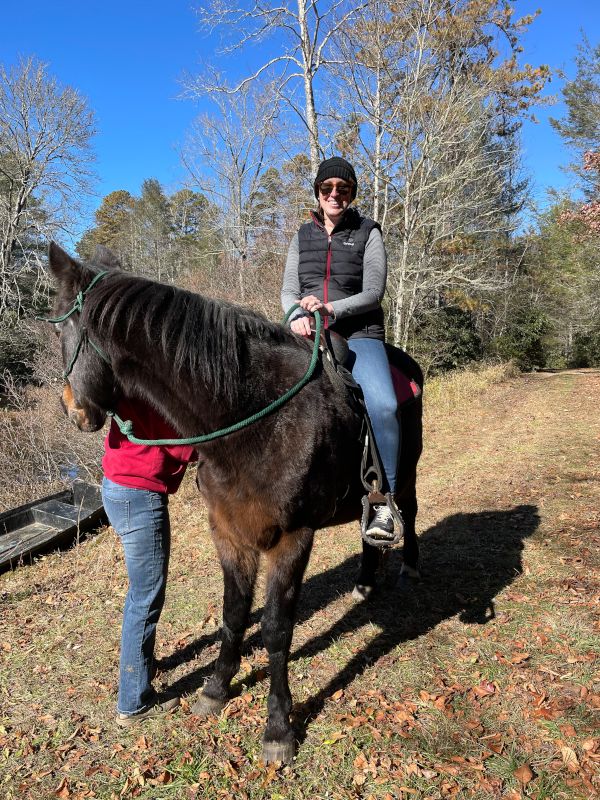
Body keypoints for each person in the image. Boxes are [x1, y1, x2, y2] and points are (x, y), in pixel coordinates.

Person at [281, 156, 399, 539]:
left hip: (359, 333)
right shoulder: (302, 235)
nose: (335, 195)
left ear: (351, 194)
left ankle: (384, 502)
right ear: (317, 192)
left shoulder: (368, 232)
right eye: (327, 188)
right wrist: (296, 314)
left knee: (384, 404)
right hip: (309, 332)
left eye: (343, 189)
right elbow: (288, 291)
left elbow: (373, 291)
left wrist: (331, 308)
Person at [101, 396, 197, 726]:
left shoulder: (131, 383)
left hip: (115, 486)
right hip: (139, 496)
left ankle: (142, 665)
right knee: (145, 598)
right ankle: (133, 702)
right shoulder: (155, 397)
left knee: (141, 593)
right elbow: (185, 446)